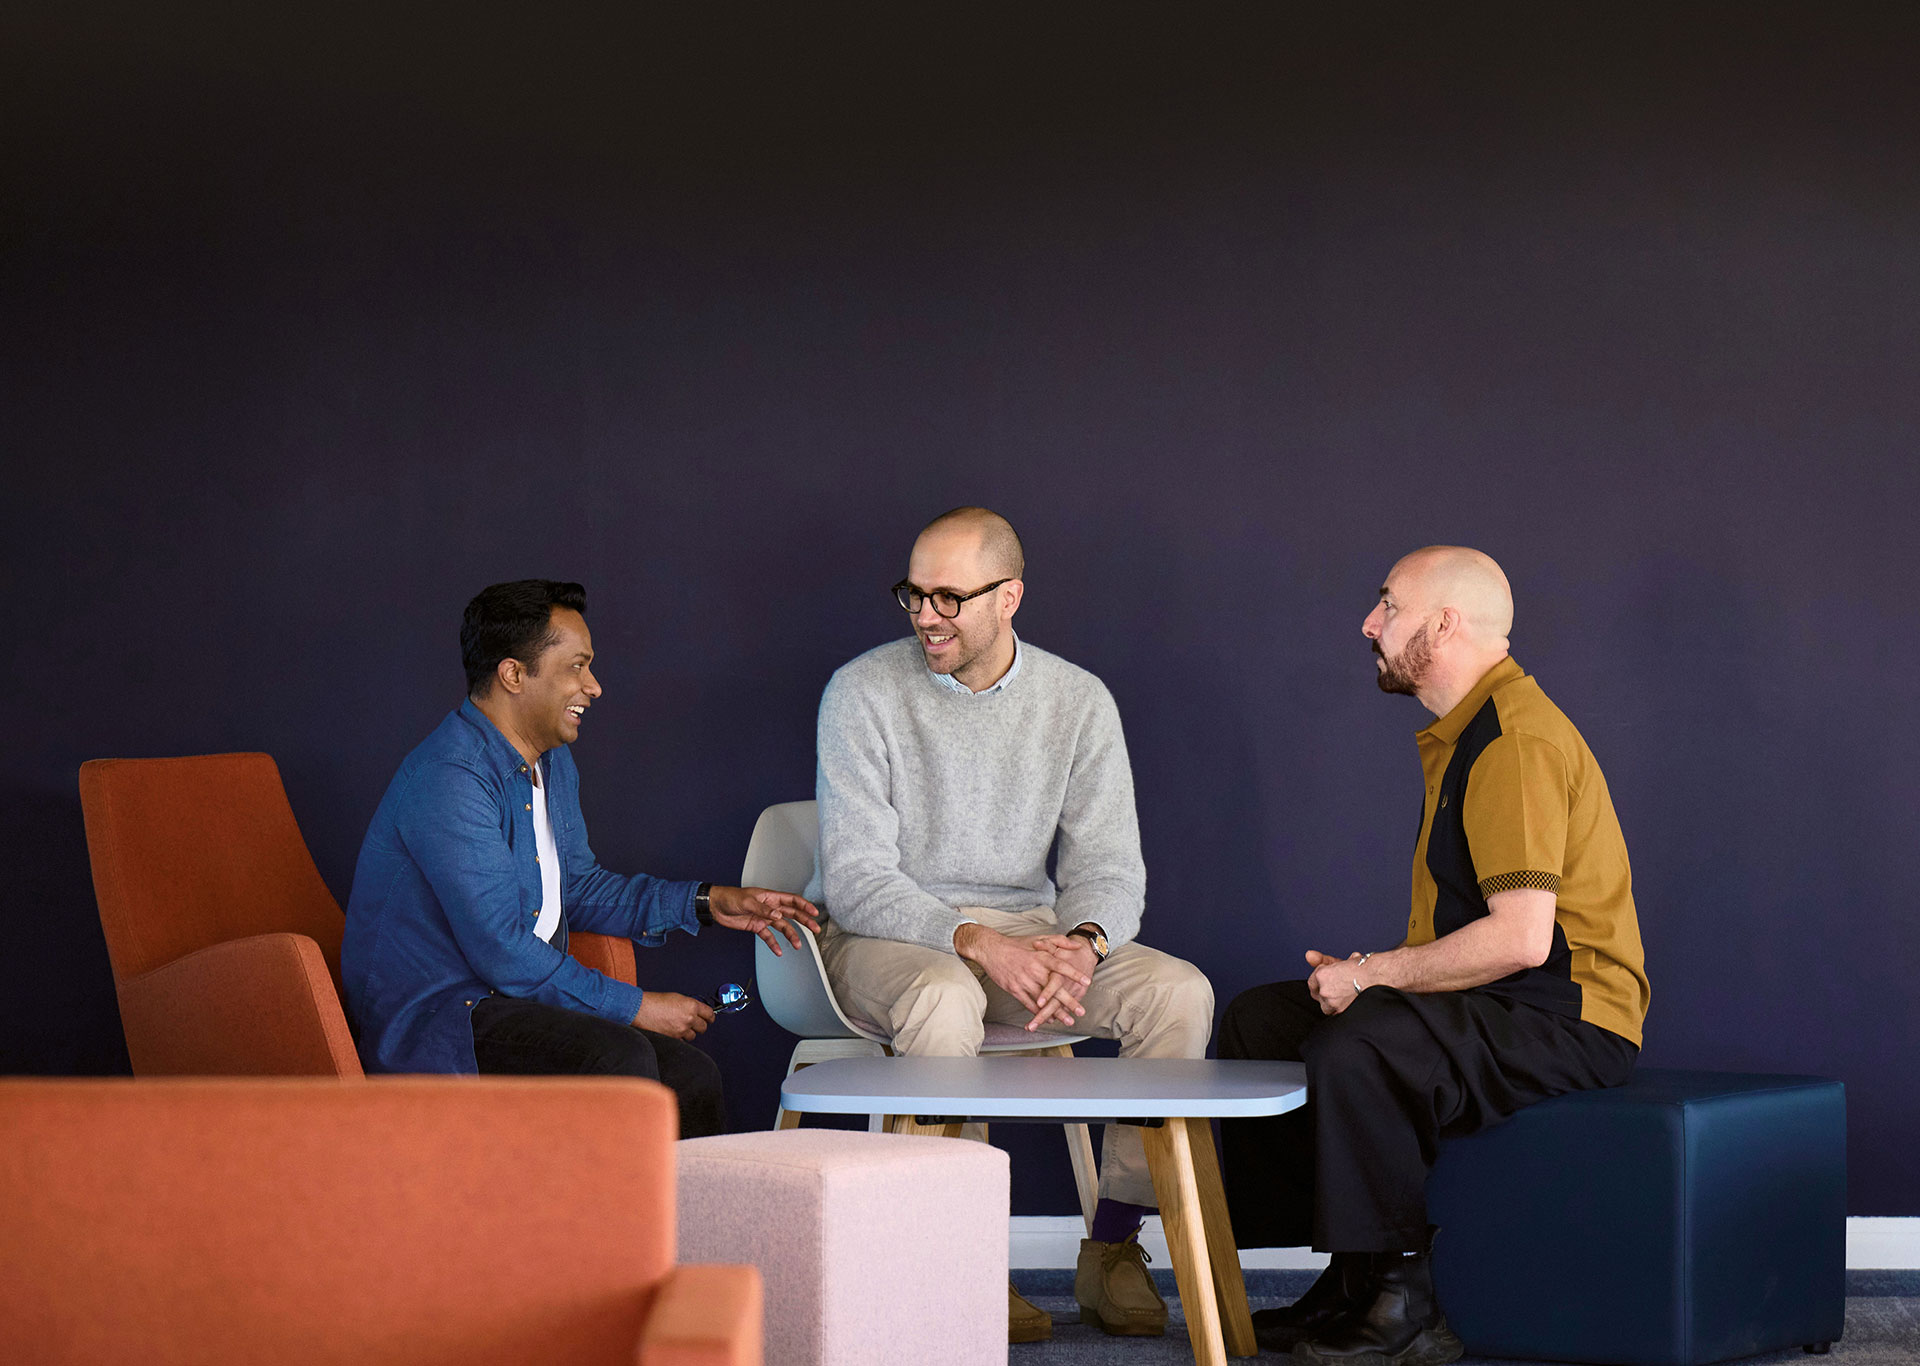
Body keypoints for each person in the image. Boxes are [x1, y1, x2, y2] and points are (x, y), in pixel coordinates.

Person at [1219, 546, 1651, 1365]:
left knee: (1359, 1041)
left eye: (1388, 605)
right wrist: (1365, 976)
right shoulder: (1465, 732)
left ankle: (1405, 1301)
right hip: (1505, 998)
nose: (1368, 624)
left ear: (1444, 624)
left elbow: (1523, 939)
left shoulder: (1513, 743)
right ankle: (1350, 1275)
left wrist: (1371, 974)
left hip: (1567, 1014)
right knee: (1264, 1021)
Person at [807, 507, 1216, 1344]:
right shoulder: (862, 691)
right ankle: (951, 1257)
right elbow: (855, 879)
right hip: (889, 936)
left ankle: (1111, 1249)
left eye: (950, 597)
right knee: (944, 998)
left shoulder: (1077, 700)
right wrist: (973, 938)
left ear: (1010, 598)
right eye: (913, 595)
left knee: (1177, 994)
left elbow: (1110, 866)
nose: (926, 616)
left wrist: (1086, 944)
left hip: (1028, 933)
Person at [342, 579, 819, 1136]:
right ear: (514, 674)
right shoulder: (452, 778)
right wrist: (635, 1006)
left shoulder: (550, 763)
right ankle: (605, 1226)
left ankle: (688, 1226)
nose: (593, 686)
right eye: (577, 666)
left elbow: (580, 889)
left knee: (690, 1077)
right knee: (620, 1065)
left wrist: (710, 902)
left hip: (515, 1003)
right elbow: (502, 948)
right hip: (444, 1018)